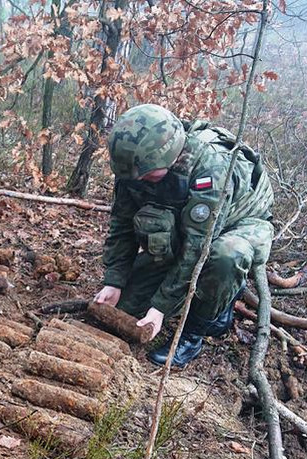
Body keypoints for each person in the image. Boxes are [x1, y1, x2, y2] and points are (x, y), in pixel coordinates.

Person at [93, 103, 274, 367]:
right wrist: (115, 280)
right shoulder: (135, 167)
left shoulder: (210, 169)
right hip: (187, 224)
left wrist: (161, 308)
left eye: (147, 176)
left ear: (170, 156)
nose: (139, 180)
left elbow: (197, 249)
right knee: (126, 309)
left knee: (226, 255)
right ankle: (202, 292)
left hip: (239, 223)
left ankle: (196, 330)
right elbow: (122, 224)